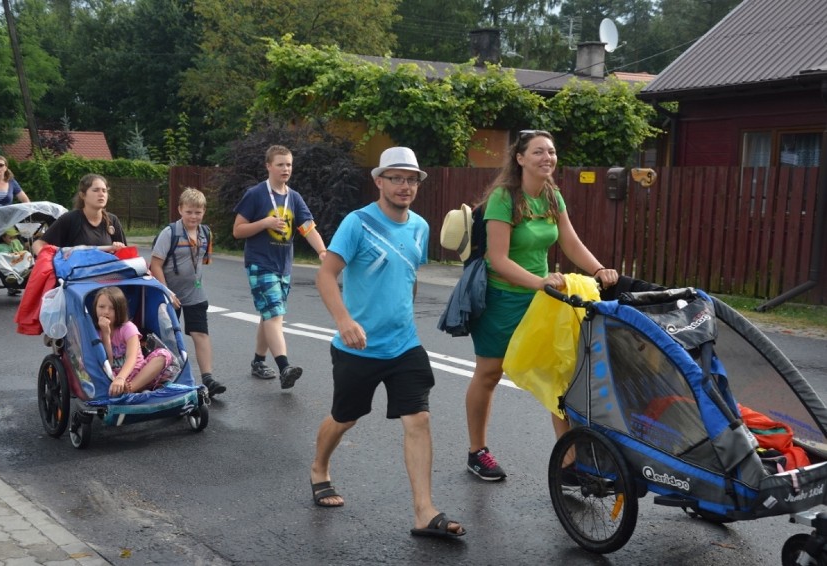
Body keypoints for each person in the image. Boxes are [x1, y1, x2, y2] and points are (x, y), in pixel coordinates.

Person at [310, 147, 466, 539]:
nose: (404, 186)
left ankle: (424, 512)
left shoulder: (419, 227)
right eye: (396, 178)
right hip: (357, 347)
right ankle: (319, 469)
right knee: (345, 418)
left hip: (404, 345)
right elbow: (326, 275)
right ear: (379, 180)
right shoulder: (357, 223)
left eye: (411, 179)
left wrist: (404, 318)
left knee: (419, 419)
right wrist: (344, 321)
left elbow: (409, 276)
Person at [464, 130, 619, 481]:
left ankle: (569, 461)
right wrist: (540, 281)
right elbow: (497, 258)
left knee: (561, 375)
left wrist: (598, 269)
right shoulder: (504, 197)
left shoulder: (552, 195)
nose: (547, 157)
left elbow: (570, 242)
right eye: (538, 152)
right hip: (502, 298)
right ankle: (477, 451)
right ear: (520, 159)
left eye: (551, 151)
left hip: (542, 297)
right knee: (489, 373)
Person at [232, 145, 327, 390]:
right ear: (268, 166)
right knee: (275, 314)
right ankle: (285, 366)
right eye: (280, 164)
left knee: (269, 315)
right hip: (260, 263)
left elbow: (307, 227)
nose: (286, 169)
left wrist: (322, 251)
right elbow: (237, 230)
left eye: (289, 165)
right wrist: (264, 222)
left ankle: (258, 362)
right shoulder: (255, 194)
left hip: (283, 266)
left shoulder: (294, 197)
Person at [150, 188, 226, 398]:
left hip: (195, 294)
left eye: (198, 212)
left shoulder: (205, 233)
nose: (194, 216)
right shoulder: (170, 233)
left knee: (201, 333)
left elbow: (202, 262)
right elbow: (155, 265)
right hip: (168, 295)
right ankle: (166, 379)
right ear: (180, 210)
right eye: (189, 212)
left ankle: (208, 379)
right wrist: (166, 292)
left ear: (204, 212)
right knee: (169, 339)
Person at [93, 286, 178, 397]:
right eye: (101, 307)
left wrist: (121, 378)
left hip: (137, 373)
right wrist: (105, 334)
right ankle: (128, 389)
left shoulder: (128, 328)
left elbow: (131, 358)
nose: (106, 312)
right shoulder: (95, 331)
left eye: (112, 308)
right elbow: (108, 362)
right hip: (112, 375)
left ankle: (130, 389)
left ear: (119, 310)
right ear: (95, 308)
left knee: (163, 354)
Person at [32, 174, 127, 255]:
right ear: (83, 195)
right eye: (96, 190)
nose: (101, 194)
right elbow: (38, 244)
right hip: (78, 274)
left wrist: (119, 249)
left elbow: (125, 253)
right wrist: (51, 263)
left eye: (104, 190)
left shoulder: (112, 220)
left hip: (107, 274)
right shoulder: (70, 219)